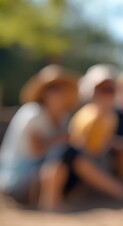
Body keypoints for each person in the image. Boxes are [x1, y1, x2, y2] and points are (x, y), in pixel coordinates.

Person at [38, 64, 123, 211]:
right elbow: (80, 153)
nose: (107, 94)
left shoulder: (110, 117)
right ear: (92, 92)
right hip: (83, 171)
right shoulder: (89, 116)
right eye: (102, 90)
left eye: (110, 89)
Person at [0, 65, 79, 204]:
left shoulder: (63, 117)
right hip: (17, 181)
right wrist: (60, 140)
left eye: (62, 89)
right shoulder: (33, 113)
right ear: (44, 93)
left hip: (35, 176)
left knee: (73, 154)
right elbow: (36, 151)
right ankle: (50, 203)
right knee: (65, 154)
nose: (59, 93)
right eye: (54, 88)